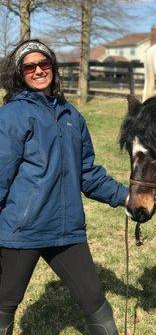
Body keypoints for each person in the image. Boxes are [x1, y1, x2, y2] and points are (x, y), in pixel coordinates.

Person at [0, 39, 128, 335]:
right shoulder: (11, 117)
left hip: (66, 229)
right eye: (29, 66)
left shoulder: (72, 116)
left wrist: (126, 196)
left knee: (95, 301)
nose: (38, 71)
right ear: (20, 74)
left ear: (53, 68)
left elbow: (87, 173)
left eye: (44, 64)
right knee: (4, 304)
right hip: (22, 230)